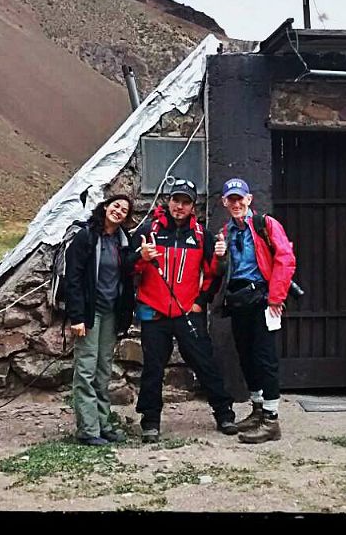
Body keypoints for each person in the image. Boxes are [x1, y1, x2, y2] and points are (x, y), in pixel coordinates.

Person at [128, 178, 239, 442]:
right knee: (153, 368)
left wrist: (202, 300)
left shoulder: (202, 235)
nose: (179, 206)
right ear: (168, 201)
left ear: (193, 207)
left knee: (204, 362)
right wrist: (140, 258)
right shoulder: (148, 231)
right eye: (176, 200)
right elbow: (128, 269)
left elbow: (214, 272)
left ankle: (224, 413)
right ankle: (150, 421)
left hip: (188, 311)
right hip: (154, 312)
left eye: (186, 202)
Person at [218, 178, 297, 444]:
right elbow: (221, 271)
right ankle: (257, 409)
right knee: (246, 357)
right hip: (238, 301)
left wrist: (276, 298)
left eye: (240, 199)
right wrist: (219, 256)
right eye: (232, 199)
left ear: (249, 200)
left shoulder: (265, 224)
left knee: (265, 358)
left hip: (263, 299)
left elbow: (285, 258)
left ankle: (271, 421)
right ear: (225, 203)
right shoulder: (226, 232)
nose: (236, 203)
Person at [64, 194, 136, 446]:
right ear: (105, 207)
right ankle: (88, 430)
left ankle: (104, 424)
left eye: (124, 210)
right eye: (115, 205)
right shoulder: (87, 237)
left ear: (126, 218)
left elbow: (127, 275)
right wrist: (77, 316)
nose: (118, 211)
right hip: (89, 312)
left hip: (110, 312)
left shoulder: (122, 241)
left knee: (103, 370)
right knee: (86, 368)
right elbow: (72, 277)